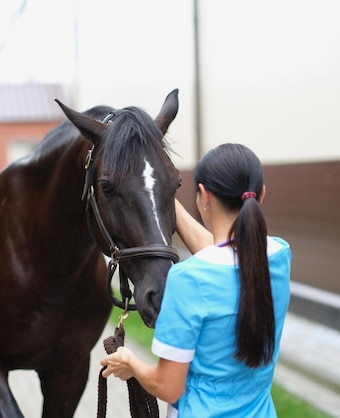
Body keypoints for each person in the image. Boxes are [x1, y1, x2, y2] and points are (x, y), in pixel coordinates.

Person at [100, 143, 292, 417]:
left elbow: (168, 386)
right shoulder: (278, 256)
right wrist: (160, 195)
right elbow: (225, 254)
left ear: (203, 196)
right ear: (260, 195)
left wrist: (131, 363)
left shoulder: (188, 280)